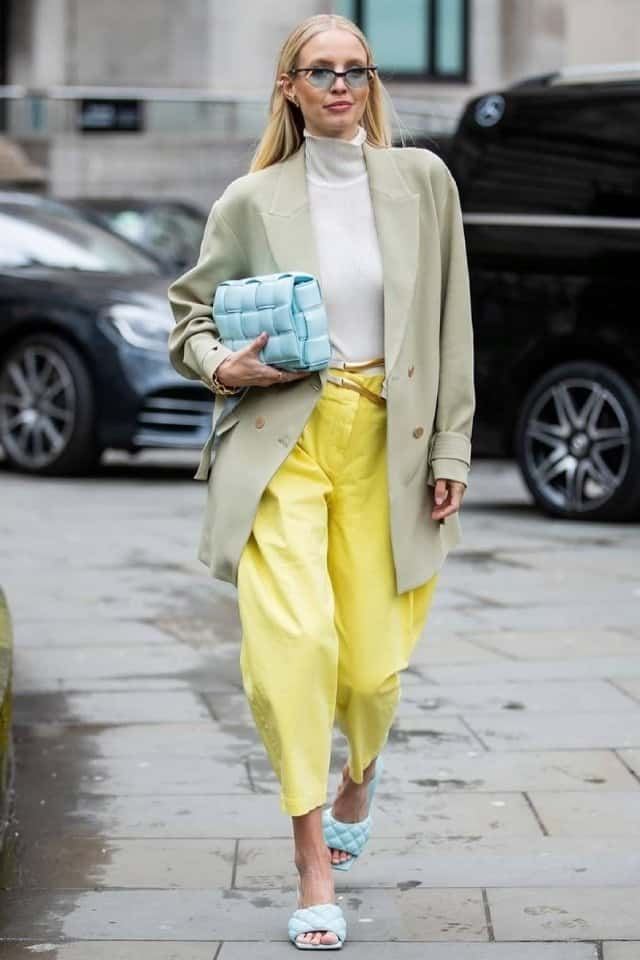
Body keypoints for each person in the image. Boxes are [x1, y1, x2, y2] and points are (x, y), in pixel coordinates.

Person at [168, 12, 475, 951]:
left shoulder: (424, 182)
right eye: (321, 71)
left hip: (389, 438)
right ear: (290, 88)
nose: (341, 85)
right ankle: (312, 865)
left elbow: (453, 323)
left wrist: (451, 450)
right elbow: (188, 317)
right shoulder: (250, 200)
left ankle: (360, 775)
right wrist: (223, 365)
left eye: (356, 69)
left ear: (371, 83)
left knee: (373, 671)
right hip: (283, 437)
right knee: (294, 648)